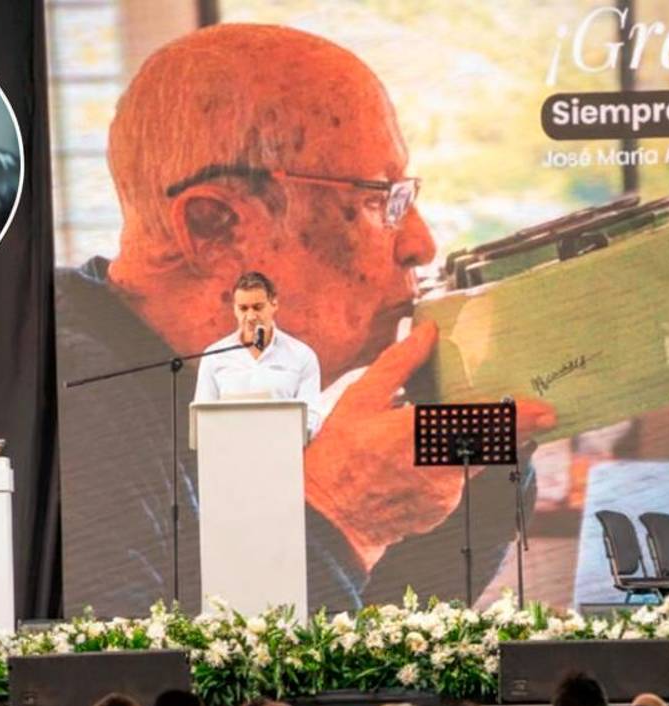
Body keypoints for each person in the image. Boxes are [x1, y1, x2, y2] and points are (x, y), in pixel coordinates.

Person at [56, 23, 555, 615]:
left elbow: (381, 644)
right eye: (379, 200)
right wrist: (341, 511)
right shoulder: (72, 402)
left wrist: (488, 442)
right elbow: (154, 696)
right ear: (215, 229)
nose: (421, 242)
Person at [194, 271, 323, 435]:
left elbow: (310, 418)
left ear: (274, 304)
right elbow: (203, 417)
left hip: (282, 452)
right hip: (229, 452)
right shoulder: (214, 355)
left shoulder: (301, 356)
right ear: (234, 309)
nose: (250, 316)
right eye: (243, 309)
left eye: (257, 307)